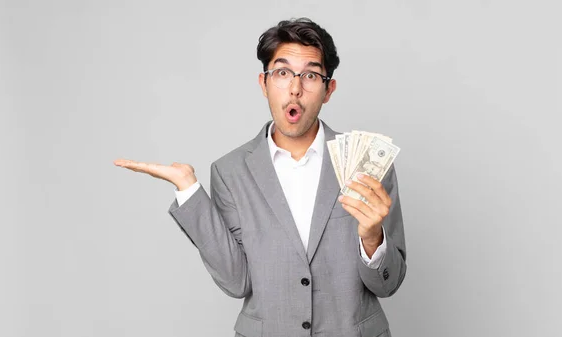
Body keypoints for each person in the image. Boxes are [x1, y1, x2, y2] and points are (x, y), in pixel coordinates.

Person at [114, 17, 407, 337]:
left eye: (310, 75)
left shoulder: (366, 164)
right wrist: (187, 189)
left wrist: (372, 238)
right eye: (282, 72)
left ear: (328, 90)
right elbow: (237, 282)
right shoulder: (230, 172)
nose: (295, 88)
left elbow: (388, 283)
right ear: (264, 83)